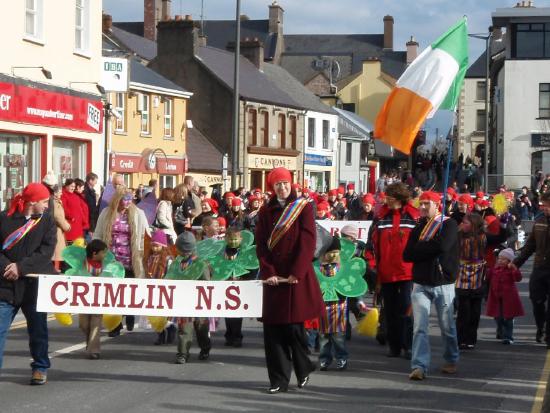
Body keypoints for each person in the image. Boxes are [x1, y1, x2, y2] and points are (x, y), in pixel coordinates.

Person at [255, 167, 324, 394]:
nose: (282, 188)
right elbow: (262, 245)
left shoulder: (303, 207)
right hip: (275, 278)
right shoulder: (265, 211)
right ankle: (278, 380)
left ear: (291, 184)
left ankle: (303, 367)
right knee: (273, 332)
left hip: (296, 276)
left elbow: (308, 240)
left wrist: (298, 271)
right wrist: (269, 272)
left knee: (294, 329)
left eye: (285, 183)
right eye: (277, 185)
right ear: (272, 188)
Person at [0, 183, 56, 385]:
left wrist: (20, 267)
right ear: (32, 202)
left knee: (38, 329)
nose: (47, 206)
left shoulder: (47, 221)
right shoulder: (5, 218)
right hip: (6, 284)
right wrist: (8, 267)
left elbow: (46, 252)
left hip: (34, 284)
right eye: (44, 202)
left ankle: (40, 367)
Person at [403, 191, 459, 381]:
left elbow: (442, 247)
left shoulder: (449, 224)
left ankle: (451, 358)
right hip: (420, 283)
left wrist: (422, 248)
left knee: (446, 325)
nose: (424, 207)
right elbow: (407, 254)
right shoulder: (418, 227)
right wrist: (430, 247)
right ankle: (419, 365)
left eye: (428, 203)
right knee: (419, 326)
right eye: (422, 204)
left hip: (443, 282)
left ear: (437, 205)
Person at [94, 187, 150, 336]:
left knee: (129, 291)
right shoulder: (106, 214)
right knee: (112, 293)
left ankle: (129, 313)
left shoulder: (138, 214)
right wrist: (95, 254)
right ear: (117, 199)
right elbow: (98, 234)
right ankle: (115, 325)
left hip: (131, 259)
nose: (127, 202)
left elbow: (146, 235)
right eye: (125, 199)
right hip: (112, 260)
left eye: (130, 199)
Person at [372, 182, 419, 359]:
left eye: (389, 198)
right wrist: (374, 268)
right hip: (386, 272)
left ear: (398, 198)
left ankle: (408, 346)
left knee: (406, 309)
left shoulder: (413, 217)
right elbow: (373, 244)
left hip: (408, 272)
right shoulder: (381, 217)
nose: (386, 201)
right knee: (390, 311)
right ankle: (394, 346)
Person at [512, 191, 550, 345]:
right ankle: (541, 326)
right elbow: (530, 246)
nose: (545, 208)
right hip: (539, 268)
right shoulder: (539, 221)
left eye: (548, 205)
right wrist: (515, 263)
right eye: (543, 205)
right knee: (537, 301)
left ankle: (548, 336)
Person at [170, 231, 211, 364]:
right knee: (184, 328)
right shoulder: (177, 263)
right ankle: (182, 353)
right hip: (183, 301)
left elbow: (207, 283)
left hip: (199, 301)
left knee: (201, 327)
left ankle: (205, 348)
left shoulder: (201, 264)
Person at [455, 213, 487, 350]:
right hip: (462, 273)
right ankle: (460, 338)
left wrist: (503, 224)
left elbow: (502, 236)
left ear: (473, 224)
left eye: (466, 222)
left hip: (478, 274)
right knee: (463, 309)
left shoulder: (483, 237)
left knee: (475, 311)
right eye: (463, 222)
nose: (463, 224)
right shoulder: (458, 235)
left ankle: (471, 339)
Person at [318, 236, 349, 371]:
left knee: (338, 336)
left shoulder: (342, 267)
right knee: (323, 336)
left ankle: (341, 357)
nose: (331, 255)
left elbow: (350, 284)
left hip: (338, 306)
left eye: (335, 252)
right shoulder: (318, 267)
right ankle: (324, 359)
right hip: (322, 306)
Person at [79, 240, 110, 359]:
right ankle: (90, 342)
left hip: (99, 298)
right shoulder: (82, 264)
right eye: (103, 252)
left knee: (95, 324)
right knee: (84, 325)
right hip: (84, 300)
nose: (105, 255)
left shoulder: (106, 265)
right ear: (94, 253)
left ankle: (94, 350)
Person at [486, 248, 524, 345]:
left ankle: (508, 337)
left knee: (508, 318)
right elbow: (487, 277)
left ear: (509, 261)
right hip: (496, 298)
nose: (500, 261)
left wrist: (514, 269)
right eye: (499, 258)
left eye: (503, 259)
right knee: (497, 317)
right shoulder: (494, 269)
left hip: (509, 298)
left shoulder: (511, 270)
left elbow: (518, 278)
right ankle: (500, 331)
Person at [143, 230, 175, 345]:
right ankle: (160, 335)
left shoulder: (168, 259)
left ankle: (170, 329)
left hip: (164, 289)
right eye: (153, 245)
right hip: (152, 289)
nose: (154, 248)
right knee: (155, 314)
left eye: (157, 246)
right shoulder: (149, 257)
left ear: (163, 246)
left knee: (165, 314)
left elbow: (171, 274)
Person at [51, 185, 71, 272]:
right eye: (59, 192)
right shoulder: (55, 203)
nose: (61, 193)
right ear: (55, 193)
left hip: (58, 230)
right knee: (56, 252)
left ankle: (56, 268)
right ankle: (55, 269)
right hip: (57, 230)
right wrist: (67, 226)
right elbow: (58, 217)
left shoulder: (56, 202)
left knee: (57, 252)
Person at [61, 179, 86, 244]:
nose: (73, 188)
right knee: (71, 244)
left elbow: (79, 209)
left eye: (74, 186)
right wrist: (71, 217)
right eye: (71, 186)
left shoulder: (75, 196)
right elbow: (64, 208)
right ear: (66, 186)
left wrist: (83, 220)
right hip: (71, 224)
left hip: (78, 225)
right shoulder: (63, 195)